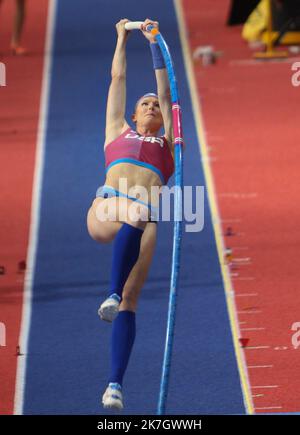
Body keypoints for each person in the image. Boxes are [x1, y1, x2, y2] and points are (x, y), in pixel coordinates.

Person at [87, 18, 175, 410]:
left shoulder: (168, 142)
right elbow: (118, 77)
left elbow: (166, 87)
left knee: (131, 299)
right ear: (134, 115)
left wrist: (156, 42)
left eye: (155, 105)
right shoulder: (115, 130)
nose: (151, 105)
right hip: (107, 208)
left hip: (144, 221)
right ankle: (108, 290)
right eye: (146, 104)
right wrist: (123, 38)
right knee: (138, 210)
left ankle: (114, 386)